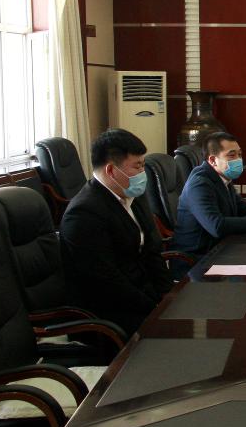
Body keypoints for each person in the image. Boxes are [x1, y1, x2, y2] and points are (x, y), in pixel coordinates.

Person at [60, 128, 173, 335]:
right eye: (137, 166)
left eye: (143, 165)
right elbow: (107, 282)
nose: (143, 173)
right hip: (107, 314)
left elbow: (152, 251)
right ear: (111, 171)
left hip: (143, 295)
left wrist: (168, 295)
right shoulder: (84, 213)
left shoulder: (133, 195)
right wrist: (155, 308)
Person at [172, 132, 246, 268]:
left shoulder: (221, 177)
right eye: (231, 155)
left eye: (240, 154)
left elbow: (241, 207)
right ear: (213, 160)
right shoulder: (199, 184)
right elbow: (217, 226)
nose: (238, 159)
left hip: (221, 249)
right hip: (197, 260)